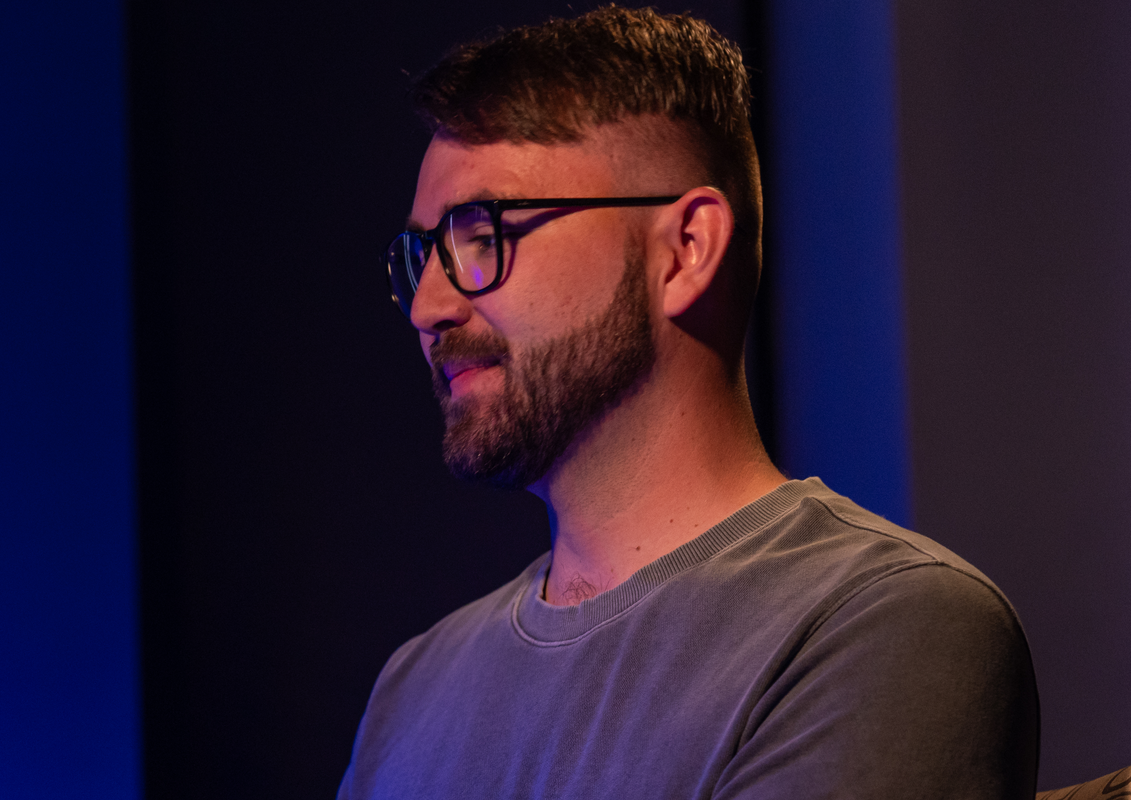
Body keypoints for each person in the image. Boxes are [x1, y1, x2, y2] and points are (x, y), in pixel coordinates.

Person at [340, 7, 1038, 798]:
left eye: (481, 232)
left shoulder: (883, 623)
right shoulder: (418, 686)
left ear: (686, 251)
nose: (429, 304)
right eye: (420, 253)